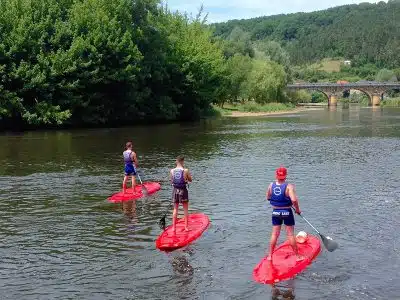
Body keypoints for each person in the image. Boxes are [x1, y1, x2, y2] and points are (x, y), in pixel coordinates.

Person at [266, 166, 304, 261]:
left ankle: (270, 256)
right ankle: (297, 257)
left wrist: (278, 200)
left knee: (274, 234)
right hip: (287, 212)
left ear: (276, 175)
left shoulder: (271, 185)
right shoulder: (289, 186)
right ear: (285, 175)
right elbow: (294, 200)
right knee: (290, 234)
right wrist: (297, 209)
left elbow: (268, 197)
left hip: (275, 212)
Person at [170, 155, 192, 233]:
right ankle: (186, 227)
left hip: (175, 191)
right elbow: (190, 180)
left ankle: (174, 228)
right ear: (182, 161)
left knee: (175, 209)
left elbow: (172, 181)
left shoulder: (172, 170)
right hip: (183, 191)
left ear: (176, 161)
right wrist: (186, 179)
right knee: (185, 209)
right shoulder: (185, 170)